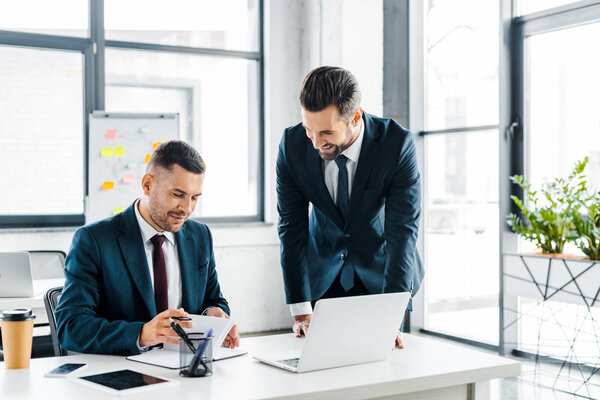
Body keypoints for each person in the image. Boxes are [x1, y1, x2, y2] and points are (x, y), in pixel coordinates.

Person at [276, 66, 424, 348]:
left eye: (326, 132)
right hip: (323, 272)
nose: (316, 143)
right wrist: (301, 309)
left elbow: (402, 232)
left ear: (355, 117)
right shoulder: (293, 145)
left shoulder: (396, 144)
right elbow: (290, 228)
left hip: (382, 273)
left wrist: (391, 315)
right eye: (309, 130)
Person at [55, 140, 240, 355]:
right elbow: (71, 327)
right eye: (178, 195)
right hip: (123, 374)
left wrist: (214, 312)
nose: (186, 209)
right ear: (147, 185)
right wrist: (142, 334)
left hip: (187, 368)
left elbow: (213, 299)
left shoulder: (199, 236)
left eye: (194, 198)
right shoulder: (94, 240)